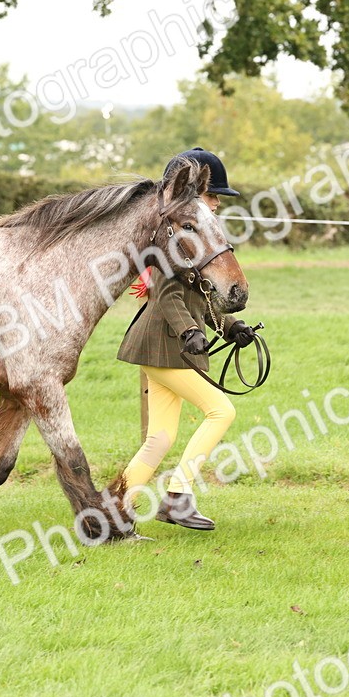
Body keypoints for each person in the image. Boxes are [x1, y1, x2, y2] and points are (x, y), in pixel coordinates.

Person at [116, 148, 258, 531]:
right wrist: (189, 331)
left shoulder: (197, 243)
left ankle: (114, 509)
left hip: (164, 349)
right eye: (213, 196)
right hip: (164, 346)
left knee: (160, 439)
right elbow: (167, 296)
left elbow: (200, 300)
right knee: (221, 411)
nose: (216, 204)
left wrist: (231, 328)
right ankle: (178, 497)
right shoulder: (175, 241)